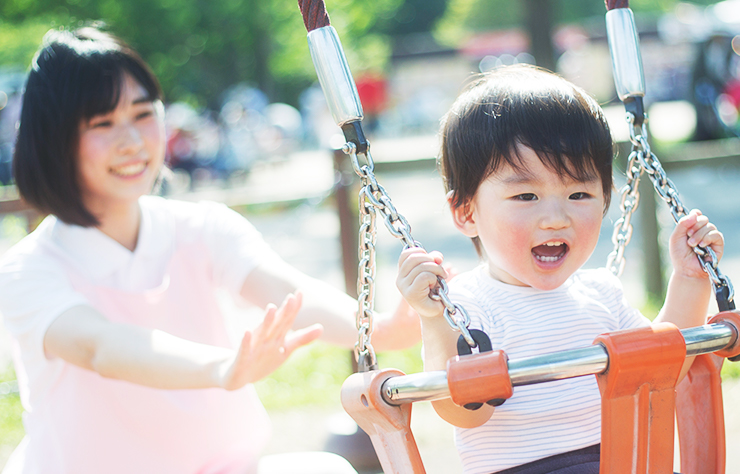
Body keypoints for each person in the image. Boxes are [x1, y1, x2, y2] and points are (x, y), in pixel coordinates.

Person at [0, 27, 420, 474]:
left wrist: (379, 329)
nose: (132, 141)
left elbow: (283, 291)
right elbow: (101, 346)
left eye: (143, 114)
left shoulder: (200, 227)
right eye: (102, 124)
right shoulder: (30, 268)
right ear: (54, 140)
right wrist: (225, 369)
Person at [396, 65, 724, 474]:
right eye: (526, 195)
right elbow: (464, 413)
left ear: (606, 199)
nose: (555, 217)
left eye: (579, 193)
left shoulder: (602, 293)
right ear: (466, 212)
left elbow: (664, 366)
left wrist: (690, 279)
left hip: (623, 460)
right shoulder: (465, 307)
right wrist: (433, 318)